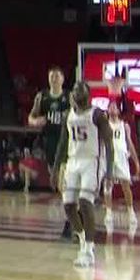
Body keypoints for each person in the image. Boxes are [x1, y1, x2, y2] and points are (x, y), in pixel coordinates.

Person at [53, 81, 113, 268]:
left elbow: (109, 144)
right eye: (74, 89)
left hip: (91, 161)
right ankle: (82, 239)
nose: (76, 92)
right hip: (73, 161)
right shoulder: (68, 115)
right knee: (69, 206)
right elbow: (63, 143)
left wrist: (109, 172)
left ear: (88, 95)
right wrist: (55, 169)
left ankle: (89, 249)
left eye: (80, 90)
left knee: (86, 203)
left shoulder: (98, 115)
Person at [28, 66, 72, 238]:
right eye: (51, 76)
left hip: (67, 144)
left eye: (57, 76)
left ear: (63, 78)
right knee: (59, 186)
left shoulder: (69, 97)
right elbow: (31, 118)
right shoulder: (42, 97)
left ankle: (70, 222)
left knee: (65, 184)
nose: (54, 78)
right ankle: (72, 217)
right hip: (49, 144)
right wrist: (35, 121)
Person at [102, 102, 140, 229]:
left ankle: (131, 212)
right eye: (110, 107)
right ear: (107, 110)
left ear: (119, 111)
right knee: (108, 185)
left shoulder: (124, 126)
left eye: (115, 107)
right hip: (108, 156)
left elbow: (129, 143)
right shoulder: (104, 124)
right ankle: (108, 213)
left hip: (122, 156)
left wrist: (136, 161)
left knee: (126, 185)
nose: (112, 108)